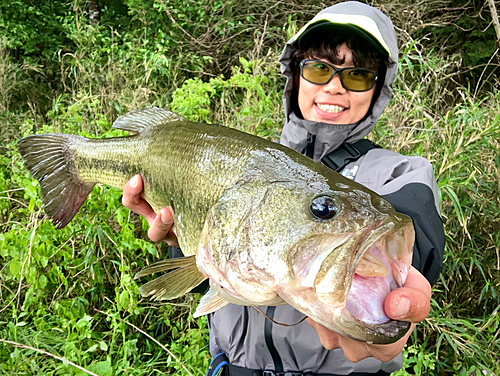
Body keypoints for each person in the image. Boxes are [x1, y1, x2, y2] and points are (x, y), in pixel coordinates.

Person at [122, 1, 445, 375]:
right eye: (320, 69)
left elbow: (417, 233)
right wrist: (180, 240)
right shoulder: (245, 164)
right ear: (295, 74)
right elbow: (212, 283)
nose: (335, 87)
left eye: (357, 76)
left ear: (378, 91)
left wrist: (394, 291)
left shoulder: (404, 171)